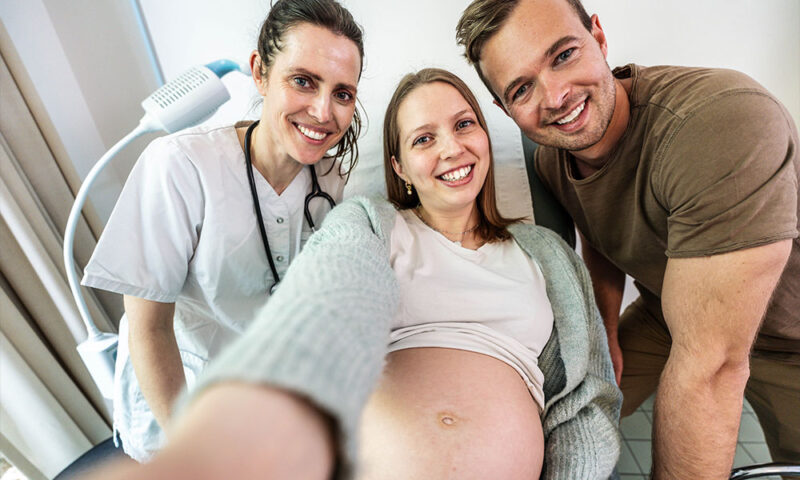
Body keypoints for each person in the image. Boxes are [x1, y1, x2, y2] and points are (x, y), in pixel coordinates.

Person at [85, 68, 622, 480]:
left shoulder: (546, 253)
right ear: (399, 167)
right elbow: (325, 312)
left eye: (464, 125)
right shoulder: (371, 225)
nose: (452, 147)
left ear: (485, 136)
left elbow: (586, 398)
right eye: (423, 139)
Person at [455, 0, 800, 478]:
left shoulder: (720, 122)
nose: (555, 96)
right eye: (522, 88)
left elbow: (712, 367)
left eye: (563, 56)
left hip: (790, 341)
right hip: (667, 315)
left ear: (598, 37)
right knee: (556, 416)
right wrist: (607, 332)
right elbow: (601, 233)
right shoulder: (554, 160)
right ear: (504, 108)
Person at [81, 0, 365, 462]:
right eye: (303, 81)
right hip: (181, 398)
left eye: (342, 94)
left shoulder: (333, 183)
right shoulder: (181, 167)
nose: (322, 111)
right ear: (260, 72)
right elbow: (150, 330)